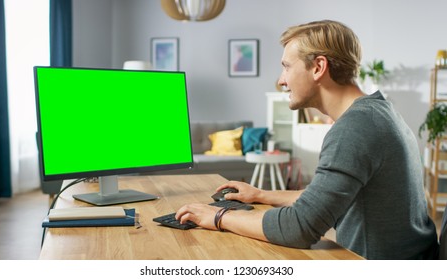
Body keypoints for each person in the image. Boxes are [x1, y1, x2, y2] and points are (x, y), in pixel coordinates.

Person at [176, 20, 439, 260]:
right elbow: (325, 197)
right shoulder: (379, 111)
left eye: (286, 67)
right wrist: (261, 194)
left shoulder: (356, 127)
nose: (281, 80)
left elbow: (299, 227)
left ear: (318, 67)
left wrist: (219, 216)